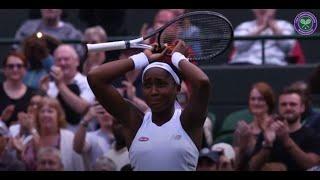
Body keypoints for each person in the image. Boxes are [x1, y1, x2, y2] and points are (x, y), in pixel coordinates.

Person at [87, 40, 211, 171]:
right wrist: (143, 58)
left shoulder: (188, 121)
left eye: (161, 84)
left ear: (177, 88)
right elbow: (95, 78)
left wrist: (177, 57)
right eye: (147, 85)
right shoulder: (135, 122)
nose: (153, 91)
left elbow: (202, 82)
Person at [249, 88, 320, 171]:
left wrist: (286, 140)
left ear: (302, 108)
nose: (288, 108)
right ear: (278, 108)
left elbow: (312, 165)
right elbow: (252, 167)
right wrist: (267, 144)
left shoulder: (312, 135)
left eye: (293, 104)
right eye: (283, 104)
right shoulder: (268, 133)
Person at [42, 44, 95, 132]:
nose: (62, 63)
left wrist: (60, 85)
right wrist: (43, 92)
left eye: (66, 59)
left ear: (77, 61)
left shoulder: (88, 82)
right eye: (59, 60)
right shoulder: (49, 86)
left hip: (82, 137)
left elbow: (81, 108)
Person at [22, 97, 84, 171]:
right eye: (42, 111)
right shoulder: (28, 140)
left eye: (50, 111)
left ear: (58, 115)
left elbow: (78, 166)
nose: (45, 115)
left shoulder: (69, 138)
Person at [229, 9, 296, 65]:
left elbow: (288, 47)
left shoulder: (285, 25)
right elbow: (239, 46)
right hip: (244, 64)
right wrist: (260, 28)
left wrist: (275, 29)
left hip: (274, 65)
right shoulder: (244, 26)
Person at [233, 82, 275, 170]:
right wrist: (242, 148)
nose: (256, 103)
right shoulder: (243, 131)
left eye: (261, 99)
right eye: (253, 99)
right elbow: (235, 165)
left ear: (269, 102)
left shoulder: (277, 126)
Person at [14, 9, 84, 58]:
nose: (49, 9)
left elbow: (79, 55)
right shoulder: (28, 27)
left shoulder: (71, 32)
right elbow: (16, 51)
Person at [73, 102, 115, 170]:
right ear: (96, 116)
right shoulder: (91, 137)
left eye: (109, 111)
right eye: (101, 112)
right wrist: (85, 120)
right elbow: (78, 148)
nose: (106, 115)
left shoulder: (126, 135)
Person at [0, 51, 35, 126]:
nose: (15, 69)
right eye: (10, 66)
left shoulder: (33, 94)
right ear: (4, 70)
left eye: (19, 66)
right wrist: (2, 119)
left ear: (25, 70)